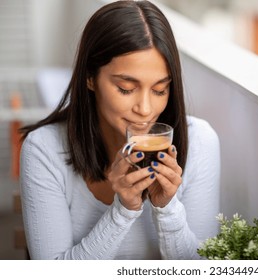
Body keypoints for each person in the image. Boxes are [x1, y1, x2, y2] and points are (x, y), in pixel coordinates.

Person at [19, 0, 220, 260]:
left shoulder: (200, 141)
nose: (146, 109)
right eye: (126, 88)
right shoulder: (44, 149)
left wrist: (168, 208)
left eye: (160, 90)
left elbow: (205, 269)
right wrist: (122, 211)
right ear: (90, 77)